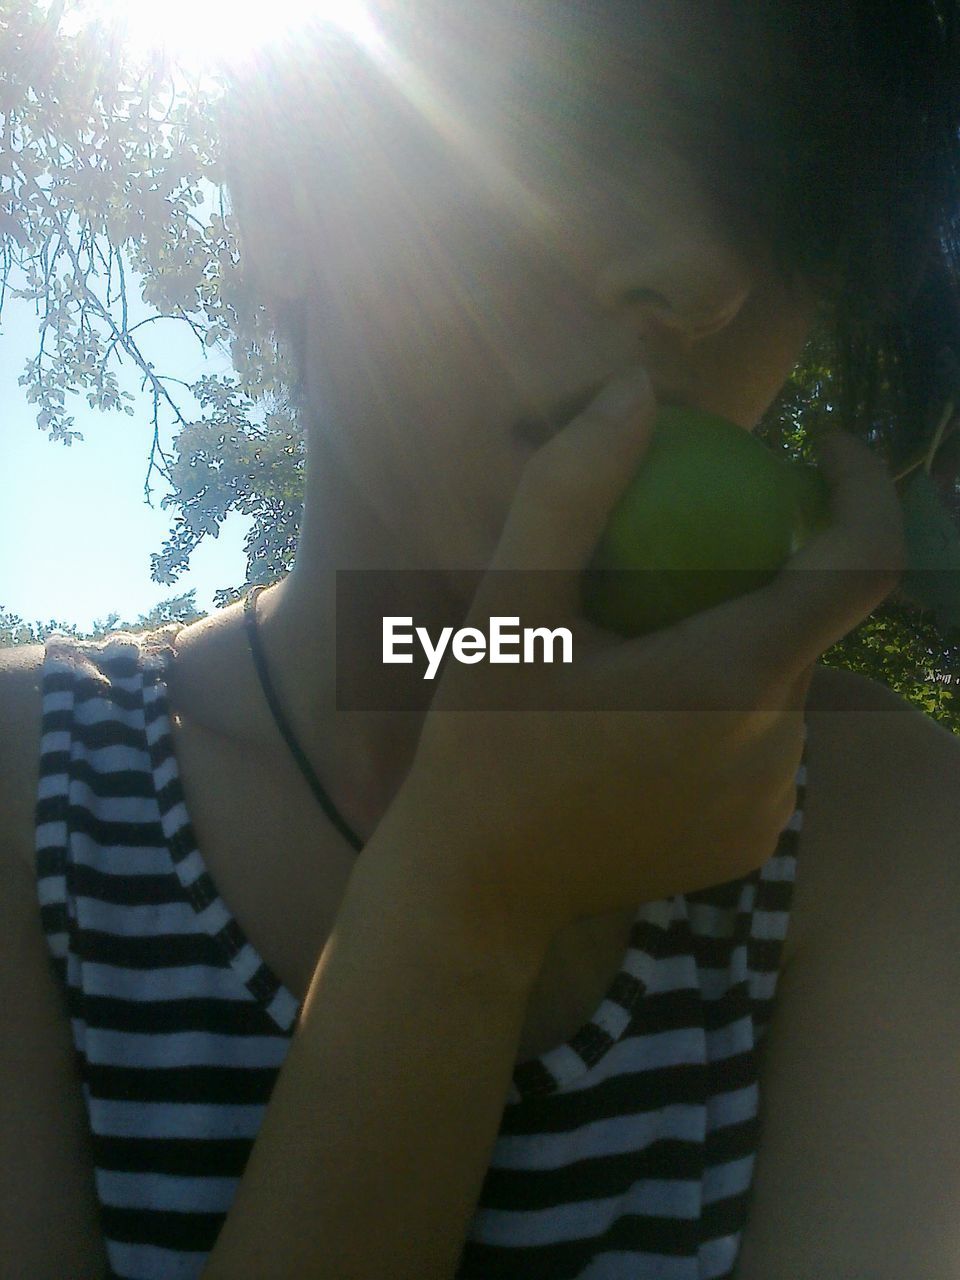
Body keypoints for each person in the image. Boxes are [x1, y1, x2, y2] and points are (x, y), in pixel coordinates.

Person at [1, 3, 958, 1277]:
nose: (706, 269)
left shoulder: (888, 822)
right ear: (287, 196)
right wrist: (466, 904)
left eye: (776, 174)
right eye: (570, 107)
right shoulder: (28, 802)